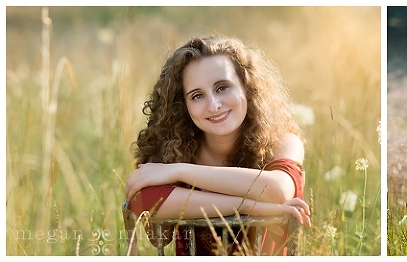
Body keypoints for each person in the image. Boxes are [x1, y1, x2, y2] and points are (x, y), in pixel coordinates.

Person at [124, 36, 312, 255]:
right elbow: (142, 201)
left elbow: (278, 189)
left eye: (222, 88)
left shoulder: (283, 142)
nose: (213, 105)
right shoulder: (176, 150)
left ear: (247, 88)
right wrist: (247, 206)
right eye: (197, 96)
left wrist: (180, 171)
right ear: (183, 105)